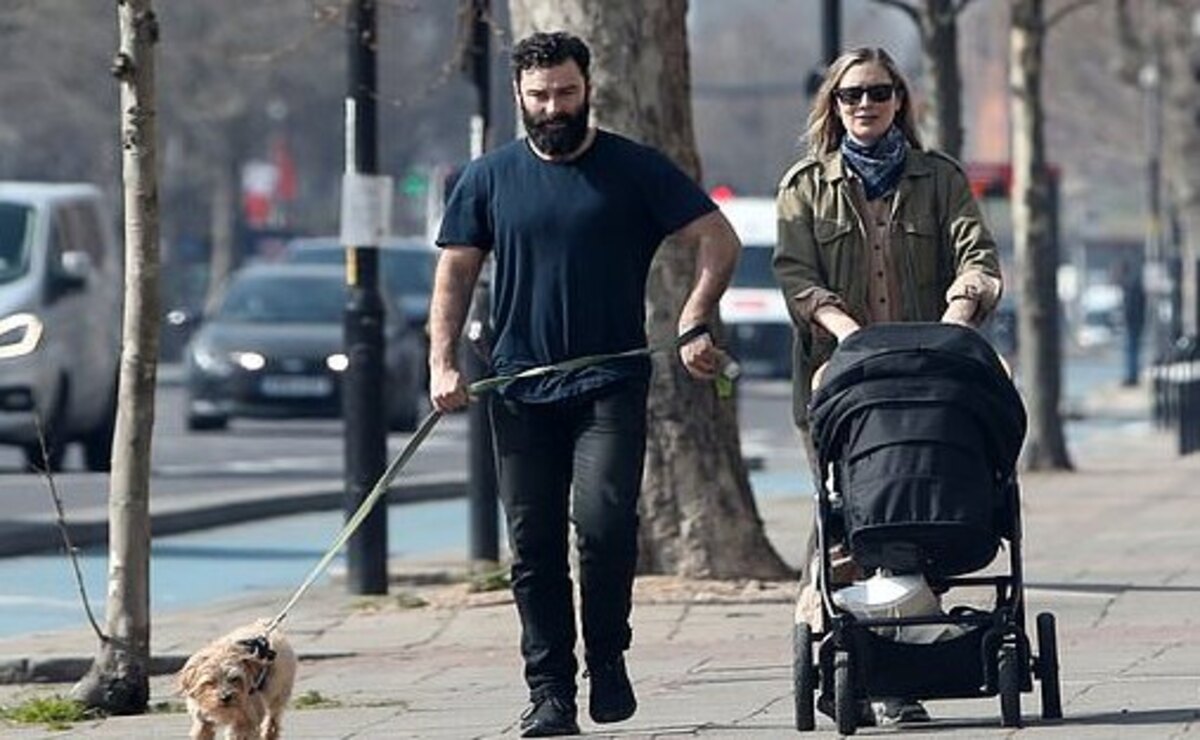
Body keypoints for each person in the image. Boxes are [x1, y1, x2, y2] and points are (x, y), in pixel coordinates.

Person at [429, 31, 741, 738]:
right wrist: (441, 364)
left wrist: (695, 319)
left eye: (566, 92)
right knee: (533, 544)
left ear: (588, 87)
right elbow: (455, 274)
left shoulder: (634, 169)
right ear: (519, 95)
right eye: (539, 95)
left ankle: (608, 658)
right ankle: (549, 693)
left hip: (611, 381)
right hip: (518, 387)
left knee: (602, 527)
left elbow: (718, 238)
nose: (554, 106)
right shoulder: (486, 178)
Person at [773, 47, 1003, 726]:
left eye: (877, 92)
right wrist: (846, 330)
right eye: (850, 96)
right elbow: (795, 274)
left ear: (899, 98)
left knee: (917, 510)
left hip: (927, 378)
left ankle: (898, 671)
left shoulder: (940, 179)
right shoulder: (806, 185)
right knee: (852, 521)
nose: (864, 106)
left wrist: (959, 314)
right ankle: (856, 656)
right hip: (841, 380)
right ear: (833, 107)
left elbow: (976, 254)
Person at [1116, 259, 1146, 386]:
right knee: (1132, 350)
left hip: (1133, 323)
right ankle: (1132, 375)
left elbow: (1131, 307)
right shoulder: (1134, 283)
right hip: (1135, 322)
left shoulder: (1131, 285)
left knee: (1131, 351)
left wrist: (1127, 319)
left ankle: (1132, 376)